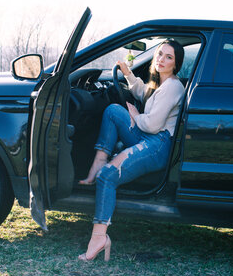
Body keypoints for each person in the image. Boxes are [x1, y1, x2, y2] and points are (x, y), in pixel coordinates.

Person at [77, 39, 186, 262]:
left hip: (158, 145)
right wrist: (127, 73)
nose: (161, 59)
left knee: (107, 176)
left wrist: (136, 117)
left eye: (169, 57)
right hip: (151, 137)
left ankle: (99, 239)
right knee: (113, 111)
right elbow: (143, 92)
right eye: (159, 54)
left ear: (176, 64)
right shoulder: (161, 83)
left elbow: (153, 124)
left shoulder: (173, 86)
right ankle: (98, 161)